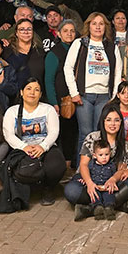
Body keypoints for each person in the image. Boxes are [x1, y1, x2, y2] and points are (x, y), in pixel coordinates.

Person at [63, 105, 128, 221]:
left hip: (110, 182)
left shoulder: (123, 144)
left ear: (121, 123)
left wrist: (113, 179)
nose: (112, 124)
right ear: (103, 121)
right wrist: (89, 183)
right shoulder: (92, 137)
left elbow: (121, 170)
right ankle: (114, 205)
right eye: (108, 120)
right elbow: (83, 165)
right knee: (71, 191)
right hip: (89, 178)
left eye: (116, 120)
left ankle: (89, 209)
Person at [64, 12, 123, 154]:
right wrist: (74, 93)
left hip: (104, 97)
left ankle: (97, 170)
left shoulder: (111, 47)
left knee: (99, 134)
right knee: (85, 134)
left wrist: (114, 96)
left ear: (106, 27)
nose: (97, 27)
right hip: (84, 96)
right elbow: (68, 67)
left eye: (101, 24)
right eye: (94, 23)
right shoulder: (80, 43)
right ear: (88, 26)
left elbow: (117, 72)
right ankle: (81, 171)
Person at [3, 78, 66, 206]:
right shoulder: (12, 111)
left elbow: (54, 131)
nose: (32, 92)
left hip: (45, 147)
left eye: (36, 90)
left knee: (56, 165)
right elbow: (8, 134)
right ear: (21, 92)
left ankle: (48, 188)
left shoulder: (48, 109)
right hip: (22, 149)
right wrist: (23, 147)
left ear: (41, 94)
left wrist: (43, 146)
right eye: (29, 89)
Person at [44, 19, 78, 167]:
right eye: (65, 31)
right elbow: (49, 80)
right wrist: (54, 102)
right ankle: (63, 166)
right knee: (64, 133)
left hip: (78, 98)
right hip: (62, 99)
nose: (69, 34)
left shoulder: (79, 50)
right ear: (58, 34)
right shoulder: (54, 53)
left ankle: (72, 164)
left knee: (74, 132)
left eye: (72, 31)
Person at [2, 19, 45, 101]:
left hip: (37, 98)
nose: (26, 32)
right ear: (16, 33)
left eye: (29, 29)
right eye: (22, 29)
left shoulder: (40, 52)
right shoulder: (7, 51)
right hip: (14, 99)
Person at [87, 140, 119, 220]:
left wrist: (114, 182)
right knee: (95, 196)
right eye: (100, 155)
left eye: (106, 154)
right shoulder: (91, 164)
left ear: (110, 154)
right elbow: (87, 173)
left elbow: (114, 175)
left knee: (109, 196)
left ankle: (109, 209)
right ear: (94, 155)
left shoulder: (111, 165)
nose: (104, 157)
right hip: (95, 186)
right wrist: (84, 179)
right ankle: (98, 209)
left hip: (106, 186)